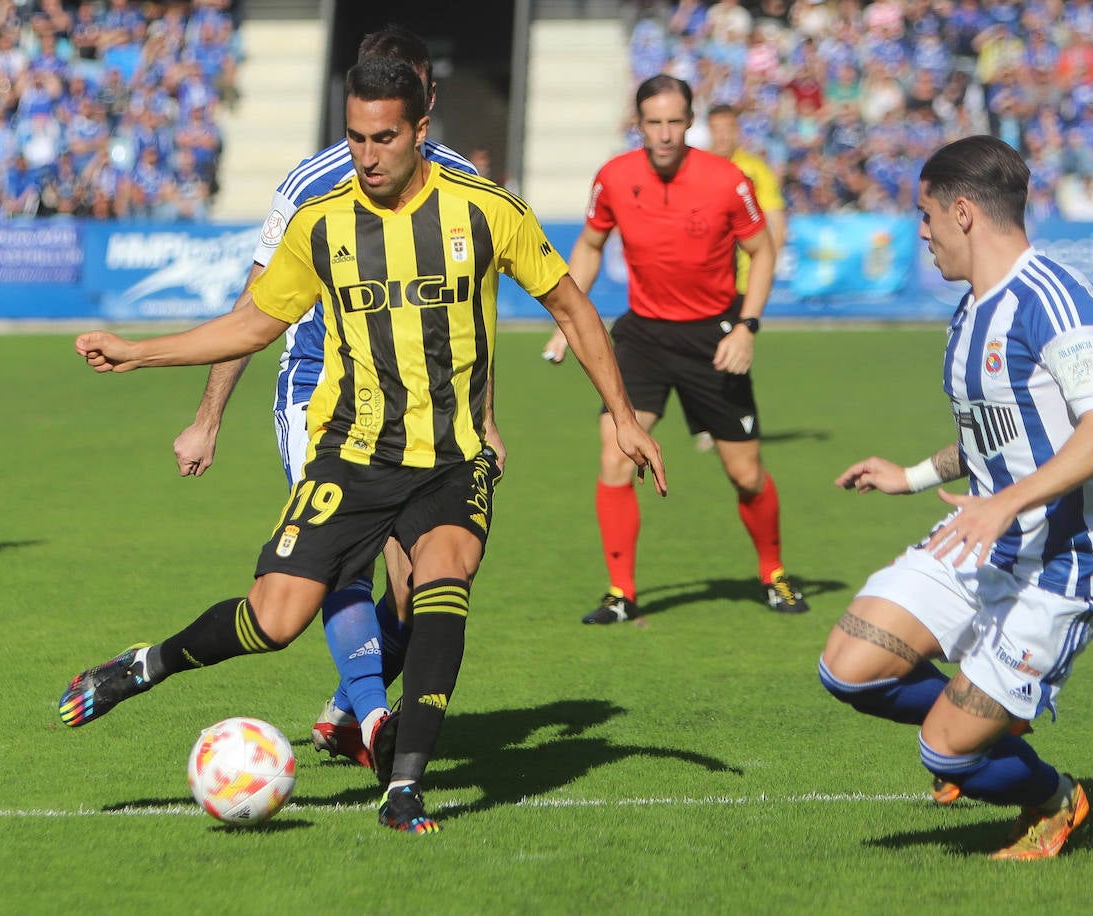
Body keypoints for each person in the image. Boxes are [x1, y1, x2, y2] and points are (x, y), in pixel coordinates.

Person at [58, 56, 667, 834]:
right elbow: (252, 324)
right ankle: (147, 664)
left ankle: (403, 785)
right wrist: (140, 352)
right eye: (355, 137)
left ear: (421, 129)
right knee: (273, 621)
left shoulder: (487, 213)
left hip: (450, 460)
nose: (367, 155)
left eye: (384, 137)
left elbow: (574, 310)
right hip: (352, 455)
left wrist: (621, 413)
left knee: (442, 578)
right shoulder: (323, 223)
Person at [171, 26, 482, 774]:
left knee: (418, 595)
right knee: (342, 564)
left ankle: (345, 712)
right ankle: (376, 720)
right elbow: (256, 303)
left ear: (423, 107)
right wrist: (207, 417)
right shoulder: (311, 183)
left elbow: (466, 323)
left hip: (422, 411)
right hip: (321, 390)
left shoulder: (460, 184)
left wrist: (487, 421)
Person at [819, 135, 1093, 860]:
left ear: (962, 212)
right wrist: (912, 475)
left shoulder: (1054, 302)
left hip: (1062, 564)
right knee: (848, 666)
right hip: (983, 539)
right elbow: (994, 435)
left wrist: (1004, 502)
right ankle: (993, 719)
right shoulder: (969, 311)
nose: (920, 233)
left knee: (948, 756)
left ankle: (1057, 799)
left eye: (925, 216)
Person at [542, 75, 807, 624]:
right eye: (653, 122)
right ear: (638, 124)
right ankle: (620, 593)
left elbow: (762, 252)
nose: (663, 134)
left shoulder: (726, 180)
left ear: (691, 123)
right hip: (643, 335)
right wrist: (566, 316)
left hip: (714, 336)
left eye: (674, 122)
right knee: (616, 453)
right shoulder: (614, 178)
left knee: (746, 474)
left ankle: (774, 574)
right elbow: (590, 246)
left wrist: (747, 328)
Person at [697, 101, 787, 453]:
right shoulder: (698, 166)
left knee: (733, 346)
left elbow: (774, 219)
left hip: (743, 280)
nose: (722, 136)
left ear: (736, 130)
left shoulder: (754, 169)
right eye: (716, 129)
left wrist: (769, 260)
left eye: (728, 129)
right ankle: (717, 421)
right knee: (705, 346)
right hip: (705, 277)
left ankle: (729, 424)